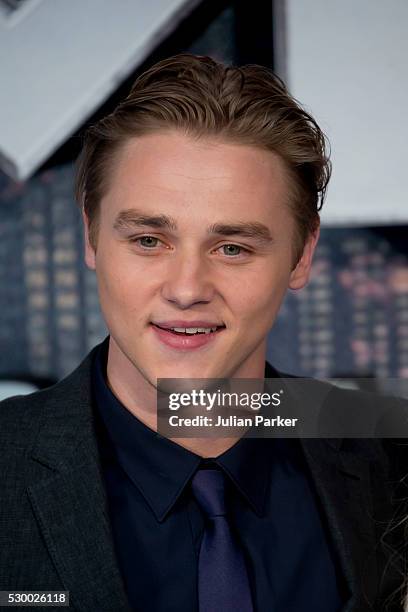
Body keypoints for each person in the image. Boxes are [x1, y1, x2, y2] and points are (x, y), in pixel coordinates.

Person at [0, 53, 403, 611]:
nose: (187, 288)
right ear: (91, 236)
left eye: (232, 247)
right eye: (148, 240)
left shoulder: (388, 463)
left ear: (302, 254)